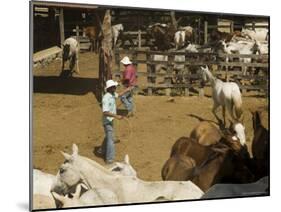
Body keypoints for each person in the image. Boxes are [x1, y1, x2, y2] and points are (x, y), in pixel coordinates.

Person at [101, 79, 124, 164]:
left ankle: (101, 150)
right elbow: (105, 112)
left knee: (109, 136)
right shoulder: (106, 98)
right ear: (110, 88)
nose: (115, 88)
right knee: (110, 139)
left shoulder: (112, 94)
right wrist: (116, 116)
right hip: (107, 121)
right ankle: (110, 159)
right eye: (114, 87)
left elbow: (118, 95)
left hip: (110, 120)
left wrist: (127, 90)